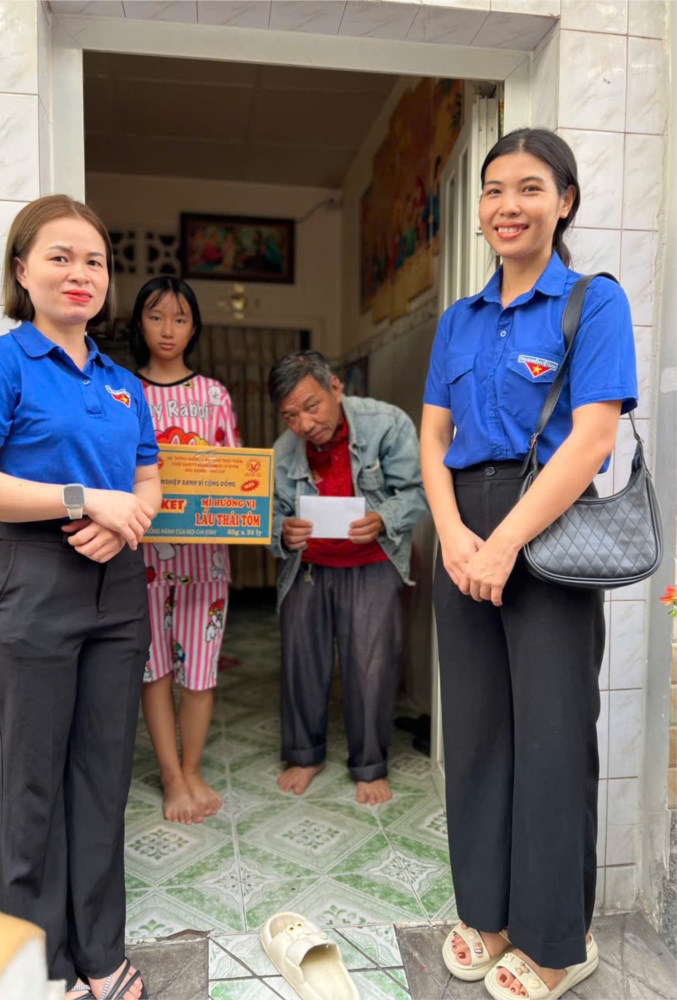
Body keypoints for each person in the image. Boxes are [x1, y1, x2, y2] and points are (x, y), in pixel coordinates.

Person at [421, 128, 638, 1000]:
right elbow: (434, 438)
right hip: (460, 530)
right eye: (493, 190)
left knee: (551, 740)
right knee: (476, 736)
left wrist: (506, 540)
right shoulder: (456, 320)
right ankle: (489, 916)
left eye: (529, 188)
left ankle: (555, 943)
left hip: (546, 531)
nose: (507, 206)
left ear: (564, 201)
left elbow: (591, 438)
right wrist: (451, 532)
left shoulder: (591, 302)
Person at [0, 195, 161, 1000]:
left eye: (93, 260)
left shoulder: (122, 383)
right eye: (60, 256)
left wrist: (125, 520)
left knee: (102, 777)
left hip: (117, 587)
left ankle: (100, 953)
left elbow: (147, 478)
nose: (79, 273)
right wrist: (82, 499)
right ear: (22, 270)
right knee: (31, 783)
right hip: (33, 579)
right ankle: (44, 965)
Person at [269, 351, 428, 805]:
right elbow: (269, 516)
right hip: (308, 568)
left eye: (311, 406)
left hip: (373, 562)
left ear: (335, 388)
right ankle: (304, 755)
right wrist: (282, 532)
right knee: (302, 663)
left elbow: (418, 493)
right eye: (290, 416)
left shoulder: (386, 424)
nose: (304, 424)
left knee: (372, 667)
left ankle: (370, 765)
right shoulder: (283, 451)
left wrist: (383, 518)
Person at [129, 276, 240, 825]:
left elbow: (236, 474)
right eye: (156, 317)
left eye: (179, 319)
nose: (167, 330)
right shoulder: (124, 392)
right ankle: (172, 777)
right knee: (154, 671)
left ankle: (192, 768)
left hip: (207, 562)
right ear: (139, 323)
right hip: (141, 559)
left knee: (200, 671)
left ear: (194, 328)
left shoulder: (215, 395)